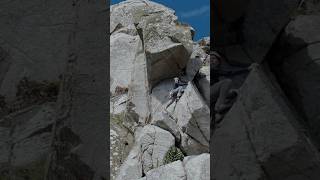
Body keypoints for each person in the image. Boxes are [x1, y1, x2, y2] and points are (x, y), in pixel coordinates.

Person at [211, 51, 258, 123]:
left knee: (231, 93)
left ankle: (217, 113)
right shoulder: (211, 71)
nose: (211, 61)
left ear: (219, 61)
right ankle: (219, 106)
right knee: (227, 82)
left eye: (213, 59)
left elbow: (233, 64)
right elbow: (229, 73)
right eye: (209, 60)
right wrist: (247, 69)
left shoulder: (216, 73)